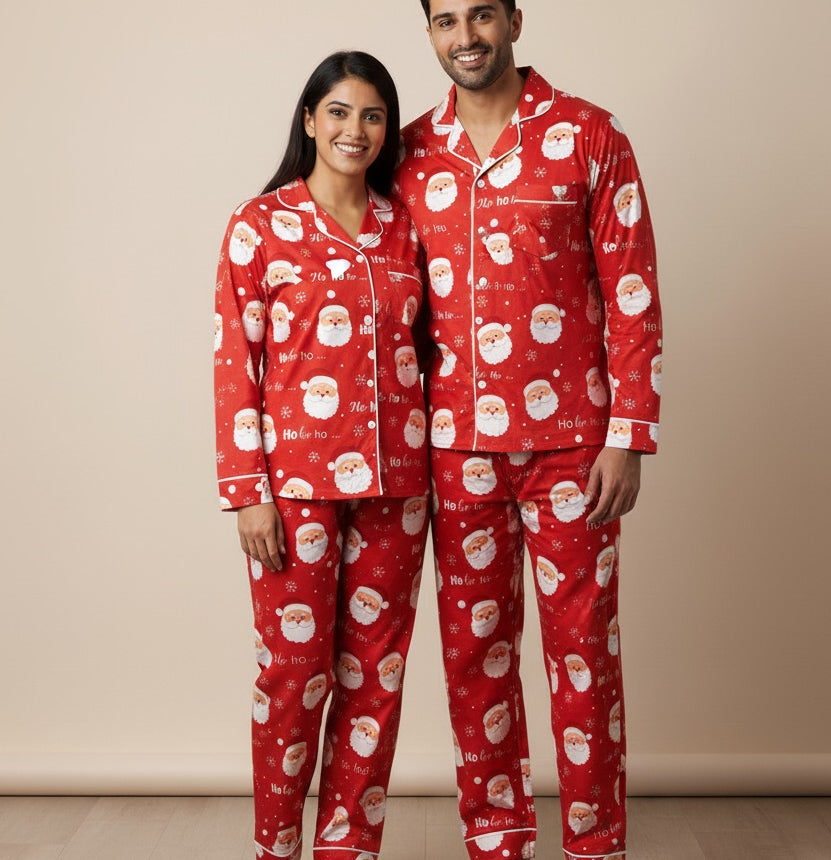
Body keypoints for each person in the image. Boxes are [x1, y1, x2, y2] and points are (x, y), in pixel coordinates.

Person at [395, 3, 662, 859]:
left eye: (480, 14)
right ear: (429, 32)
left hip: (574, 446)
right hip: (453, 449)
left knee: (584, 655)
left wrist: (629, 431)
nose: (464, 36)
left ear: (514, 17)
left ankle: (593, 844)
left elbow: (632, 290)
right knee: (474, 658)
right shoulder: (404, 153)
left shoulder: (591, 134)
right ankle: (497, 840)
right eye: (445, 20)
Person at [214, 51, 430, 860]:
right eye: (338, 112)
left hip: (398, 488)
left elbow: (432, 354)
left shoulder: (403, 225)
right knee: (292, 677)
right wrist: (247, 492)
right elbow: (234, 363)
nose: (355, 129)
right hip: (293, 489)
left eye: (373, 115)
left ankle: (350, 850)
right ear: (309, 120)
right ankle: (277, 848)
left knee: (375, 683)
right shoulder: (259, 224)